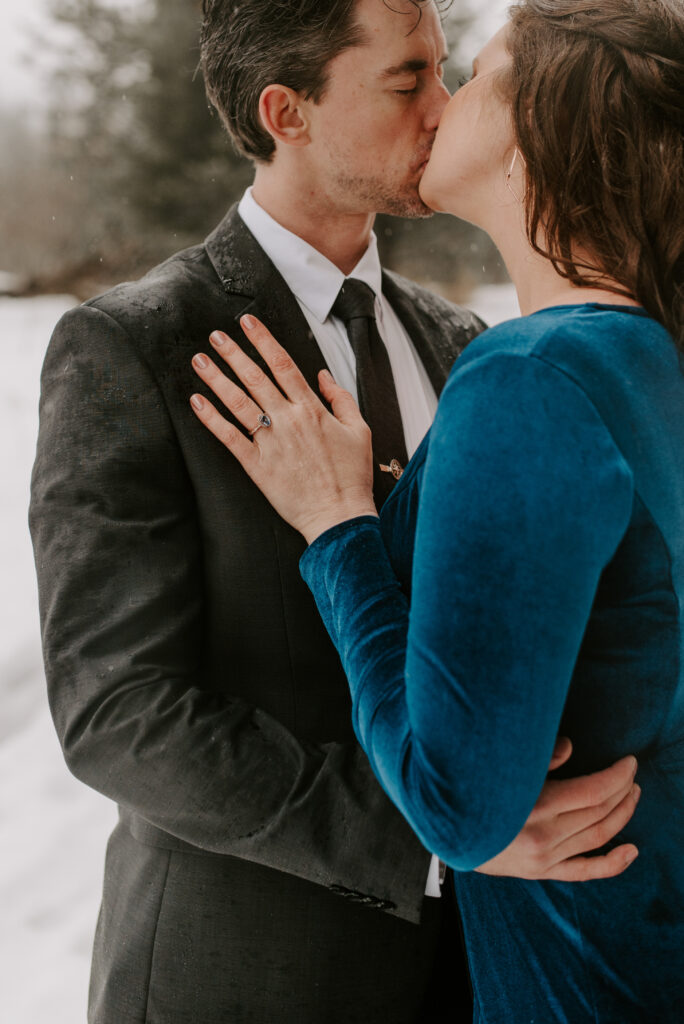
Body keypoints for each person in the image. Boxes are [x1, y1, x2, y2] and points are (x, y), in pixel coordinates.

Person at [30, 1, 642, 1022]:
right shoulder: (135, 346)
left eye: (445, 73)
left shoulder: (464, 344)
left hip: (471, 978)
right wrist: (438, 838)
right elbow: (118, 712)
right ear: (288, 112)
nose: (443, 110)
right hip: (240, 980)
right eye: (407, 82)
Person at [189, 0, 684, 1021]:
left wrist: (337, 527)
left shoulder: (530, 373)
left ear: (535, 129)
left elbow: (458, 806)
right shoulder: (648, 360)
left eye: (472, 76)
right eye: (415, 77)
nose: (444, 101)